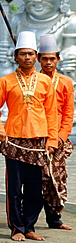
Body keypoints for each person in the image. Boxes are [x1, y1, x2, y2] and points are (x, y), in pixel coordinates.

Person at [0, 31, 58, 242]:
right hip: (14, 140)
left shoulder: (45, 82)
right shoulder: (6, 81)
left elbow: (52, 113)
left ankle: (30, 227)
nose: (27, 57)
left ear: (36, 56)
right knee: (15, 189)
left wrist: (52, 141)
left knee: (36, 189)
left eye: (31, 54)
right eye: (23, 54)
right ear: (16, 56)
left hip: (38, 142)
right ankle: (16, 228)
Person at [38, 34, 74, 230]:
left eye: (52, 58)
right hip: (36, 136)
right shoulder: (32, 80)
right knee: (37, 180)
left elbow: (69, 113)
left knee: (56, 178)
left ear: (58, 59)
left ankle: (54, 220)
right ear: (38, 59)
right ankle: (28, 221)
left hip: (58, 138)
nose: (49, 62)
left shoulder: (66, 82)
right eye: (45, 58)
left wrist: (60, 137)